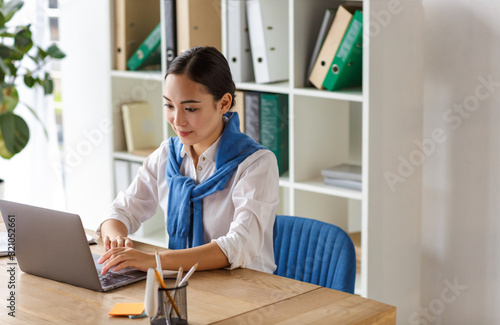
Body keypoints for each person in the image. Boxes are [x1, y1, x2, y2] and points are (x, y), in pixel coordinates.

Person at [97, 46, 279, 275]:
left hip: (246, 290)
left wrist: (155, 261)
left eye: (190, 108)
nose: (177, 120)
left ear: (223, 103)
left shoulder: (256, 164)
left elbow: (240, 244)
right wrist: (117, 242)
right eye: (169, 106)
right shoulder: (167, 155)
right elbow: (119, 211)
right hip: (185, 283)